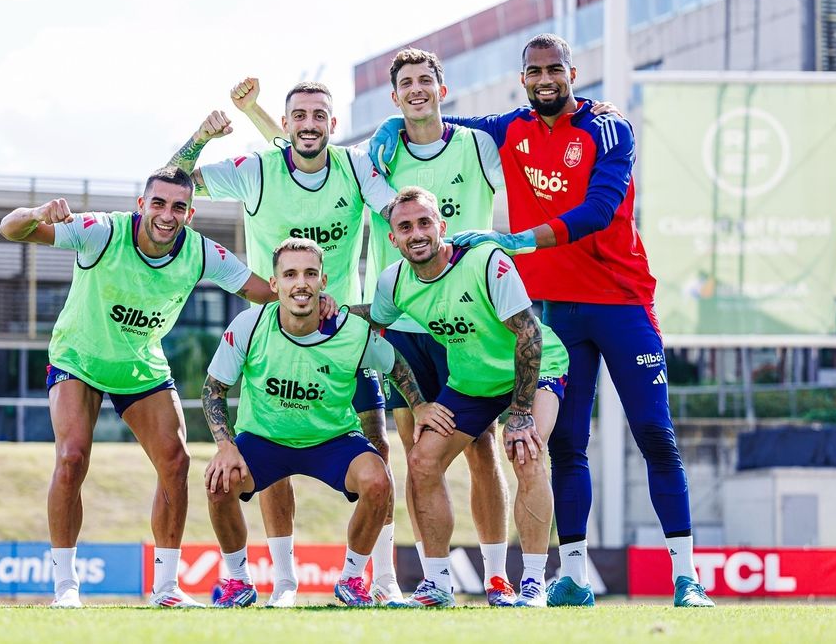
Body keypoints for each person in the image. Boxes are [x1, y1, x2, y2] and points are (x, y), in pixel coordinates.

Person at [373, 33, 714, 608]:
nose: (545, 79)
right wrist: (396, 127)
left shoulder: (609, 127)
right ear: (523, 78)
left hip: (622, 301)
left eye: (555, 69)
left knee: (655, 435)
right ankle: (571, 578)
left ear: (573, 73)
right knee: (565, 447)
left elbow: (600, 211)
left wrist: (515, 239)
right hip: (557, 309)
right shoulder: (511, 127)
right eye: (534, 72)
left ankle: (687, 578)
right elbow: (442, 116)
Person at [231, 55, 516, 605]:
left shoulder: (417, 155)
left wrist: (492, 244)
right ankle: (306, 581)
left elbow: (341, 166)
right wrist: (253, 112)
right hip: (382, 323)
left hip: (430, 322)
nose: (415, 91)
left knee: (473, 445)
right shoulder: (371, 152)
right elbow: (299, 143)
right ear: (393, 97)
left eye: (423, 82)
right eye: (405, 84)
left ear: (441, 89)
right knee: (387, 449)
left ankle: (476, 576)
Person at [0, 166, 288, 608]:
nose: (167, 214)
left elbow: (259, 290)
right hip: (78, 359)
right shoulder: (101, 231)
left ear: (190, 214)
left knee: (176, 462)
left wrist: (305, 290)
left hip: (142, 368)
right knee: (72, 457)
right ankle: (66, 589)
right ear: (141, 205)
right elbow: (11, 228)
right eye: (158, 203)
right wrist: (40, 211)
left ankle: (166, 589)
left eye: (178, 207)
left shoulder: (201, 252)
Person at [167, 83, 403, 606]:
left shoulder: (356, 166)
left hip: (343, 335)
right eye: (299, 115)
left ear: (333, 124)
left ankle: (378, 578)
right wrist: (202, 136)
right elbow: (173, 183)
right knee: (272, 443)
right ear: (285, 123)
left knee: (379, 449)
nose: (309, 123)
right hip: (276, 331)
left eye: (320, 114)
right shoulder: (256, 168)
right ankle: (284, 583)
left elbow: (397, 215)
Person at [201, 238, 451, 608]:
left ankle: (353, 579)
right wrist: (226, 445)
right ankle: (239, 581)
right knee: (218, 482)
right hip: (265, 440)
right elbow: (213, 390)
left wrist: (419, 407)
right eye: (289, 274)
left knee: (377, 479)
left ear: (323, 281)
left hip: (332, 441)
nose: (300, 283)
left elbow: (396, 364)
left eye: (309, 274)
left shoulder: (351, 331)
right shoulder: (249, 325)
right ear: (274, 285)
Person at [351, 187, 569, 608]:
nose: (416, 233)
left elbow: (529, 333)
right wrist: (327, 310)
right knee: (421, 459)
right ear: (392, 238)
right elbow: (373, 320)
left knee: (525, 451)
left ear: (441, 227)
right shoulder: (393, 282)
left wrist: (521, 413)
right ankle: (437, 584)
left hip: (537, 367)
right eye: (404, 226)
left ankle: (534, 585)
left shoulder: (486, 262)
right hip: (473, 380)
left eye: (424, 223)